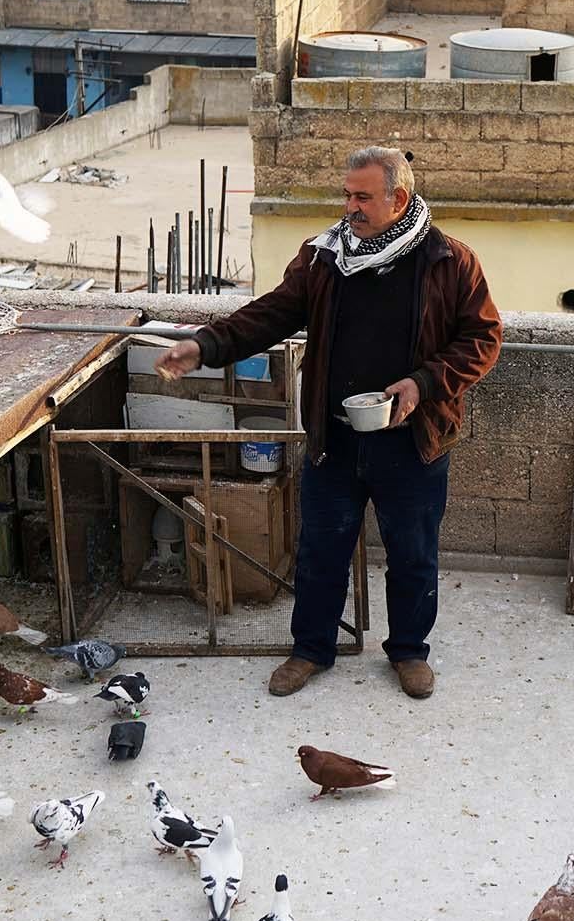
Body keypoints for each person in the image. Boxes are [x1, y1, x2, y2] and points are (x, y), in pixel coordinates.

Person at [157, 146, 501, 700]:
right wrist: (205, 346)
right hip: (334, 439)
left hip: (413, 442)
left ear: (400, 200)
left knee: (413, 554)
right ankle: (311, 649)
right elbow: (268, 315)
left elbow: (483, 339)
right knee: (321, 550)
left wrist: (425, 382)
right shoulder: (323, 258)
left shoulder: (448, 261)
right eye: (346, 194)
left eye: (363, 196)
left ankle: (409, 651)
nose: (350, 207)